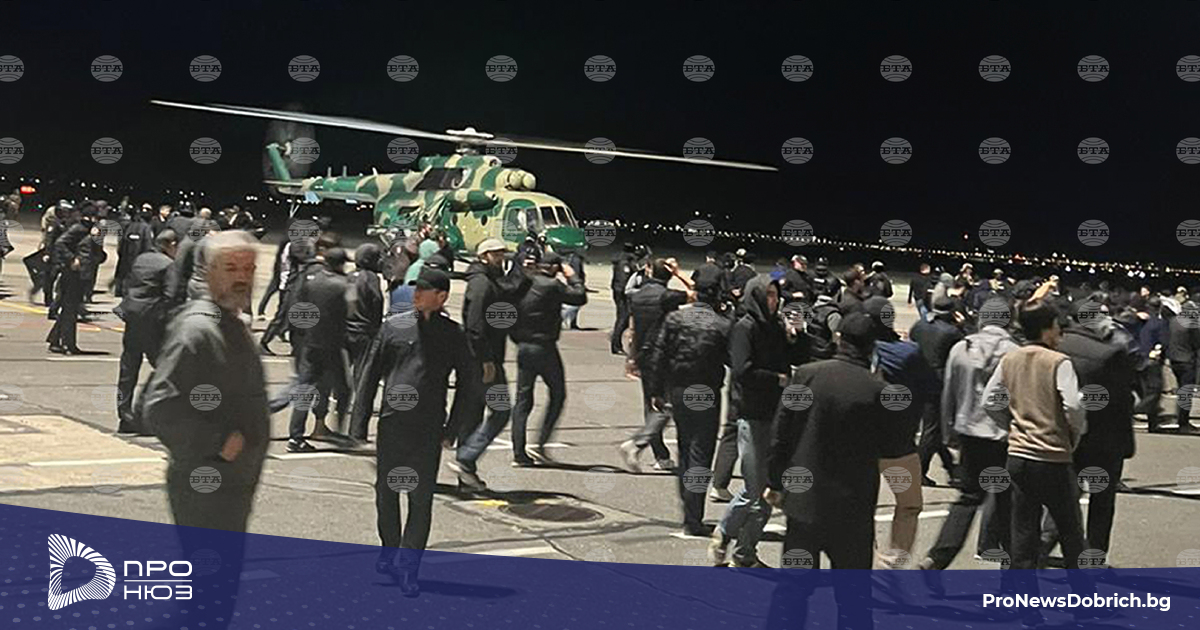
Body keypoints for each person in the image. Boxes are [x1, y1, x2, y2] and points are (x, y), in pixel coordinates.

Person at [142, 230, 268, 630]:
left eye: (248, 268)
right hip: (207, 485)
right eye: (230, 268)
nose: (242, 277)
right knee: (208, 599)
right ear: (208, 272)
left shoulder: (228, 322)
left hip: (230, 485)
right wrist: (217, 443)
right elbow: (158, 406)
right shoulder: (198, 330)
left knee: (214, 594)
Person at [351, 268, 481, 596]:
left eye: (424, 290)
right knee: (386, 493)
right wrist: (359, 423)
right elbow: (369, 374)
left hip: (429, 427)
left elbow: (469, 383)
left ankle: (409, 567)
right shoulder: (393, 327)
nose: (417, 294)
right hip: (393, 423)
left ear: (442, 296)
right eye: (415, 288)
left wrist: (453, 428)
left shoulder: (452, 334)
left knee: (420, 499)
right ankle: (389, 548)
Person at [762, 313, 889, 630]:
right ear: (872, 346)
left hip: (805, 503)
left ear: (838, 339)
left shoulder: (807, 375)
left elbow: (780, 436)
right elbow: (892, 445)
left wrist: (775, 481)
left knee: (792, 590)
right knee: (854, 596)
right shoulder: (876, 388)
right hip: (853, 506)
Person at [981, 299, 1096, 624]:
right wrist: (1074, 435)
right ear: (1047, 329)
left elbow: (989, 400)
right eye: (1057, 326)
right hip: (1053, 456)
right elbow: (1073, 406)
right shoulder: (1058, 361)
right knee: (1071, 532)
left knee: (1022, 535)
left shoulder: (1010, 358)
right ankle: (1083, 602)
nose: (1060, 332)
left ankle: (1027, 607)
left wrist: (1011, 426)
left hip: (1018, 455)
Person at [709, 275, 807, 568]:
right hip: (752, 415)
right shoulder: (745, 327)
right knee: (756, 488)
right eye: (768, 296)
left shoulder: (775, 327)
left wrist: (796, 336)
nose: (773, 301)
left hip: (777, 414)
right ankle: (725, 532)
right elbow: (742, 370)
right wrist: (777, 379)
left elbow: (799, 357)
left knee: (769, 489)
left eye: (776, 296)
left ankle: (745, 553)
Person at [920, 300, 1019, 576]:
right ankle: (1011, 569)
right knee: (1008, 504)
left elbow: (949, 393)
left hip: (969, 433)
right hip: (1004, 437)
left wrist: (948, 432)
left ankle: (936, 559)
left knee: (967, 498)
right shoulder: (1015, 353)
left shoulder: (961, 349)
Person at [1054, 298, 1137, 566]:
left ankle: (1043, 547)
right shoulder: (1110, 353)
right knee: (1102, 502)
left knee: (1064, 497)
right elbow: (1123, 401)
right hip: (1105, 438)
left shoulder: (1057, 345)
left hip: (1066, 433)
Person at [643, 292, 732, 536]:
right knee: (701, 452)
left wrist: (656, 390)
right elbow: (732, 359)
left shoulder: (674, 319)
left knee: (685, 448)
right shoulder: (722, 324)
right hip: (707, 390)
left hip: (679, 388)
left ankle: (688, 507)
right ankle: (694, 516)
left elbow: (659, 354)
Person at [451, 239, 532, 489]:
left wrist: (524, 274)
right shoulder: (481, 283)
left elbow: (509, 292)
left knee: (473, 415)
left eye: (502, 254)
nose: (501, 258)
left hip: (485, 358)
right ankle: (466, 457)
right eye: (496, 254)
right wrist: (485, 359)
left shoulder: (492, 279)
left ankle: (466, 475)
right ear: (484, 255)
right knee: (501, 410)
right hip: (483, 360)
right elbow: (474, 326)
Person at [864, 296, 935, 568]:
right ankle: (893, 562)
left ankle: (865, 557)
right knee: (909, 505)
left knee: (860, 506)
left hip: (861, 442)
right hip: (898, 442)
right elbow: (932, 387)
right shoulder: (908, 353)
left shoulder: (856, 352)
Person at [509, 251, 587, 464]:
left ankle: (519, 452)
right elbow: (580, 296)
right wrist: (572, 276)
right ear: (553, 268)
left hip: (524, 346)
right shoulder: (552, 285)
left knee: (523, 400)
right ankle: (541, 442)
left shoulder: (524, 283)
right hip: (544, 346)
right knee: (558, 394)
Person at [618, 258, 694, 471]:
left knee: (651, 404)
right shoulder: (667, 296)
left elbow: (633, 329)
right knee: (668, 405)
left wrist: (631, 358)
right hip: (665, 355)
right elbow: (697, 292)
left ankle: (660, 455)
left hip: (644, 355)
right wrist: (679, 273)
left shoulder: (638, 295)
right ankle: (637, 443)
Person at [285, 248, 353, 451]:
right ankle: (340, 431)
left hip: (310, 342)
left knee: (304, 389)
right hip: (333, 344)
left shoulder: (312, 280)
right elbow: (352, 310)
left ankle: (295, 436)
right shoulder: (343, 285)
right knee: (343, 389)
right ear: (340, 264)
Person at [115, 229, 179, 435]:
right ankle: (149, 415)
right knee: (163, 369)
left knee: (128, 369)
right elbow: (170, 295)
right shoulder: (168, 264)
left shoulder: (141, 259)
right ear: (171, 245)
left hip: (132, 316)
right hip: (152, 321)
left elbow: (129, 283)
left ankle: (124, 415)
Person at [910, 293, 965, 487]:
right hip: (937, 382)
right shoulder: (952, 332)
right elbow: (963, 350)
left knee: (935, 428)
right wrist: (962, 325)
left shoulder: (919, 325)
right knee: (932, 429)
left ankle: (951, 468)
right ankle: (918, 471)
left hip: (917, 378)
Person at [346, 242, 387, 443]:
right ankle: (357, 431)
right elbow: (376, 302)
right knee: (364, 383)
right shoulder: (370, 278)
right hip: (365, 333)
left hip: (346, 330)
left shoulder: (349, 276)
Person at [46, 203, 98, 354]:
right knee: (70, 310)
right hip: (72, 274)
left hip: (82, 274)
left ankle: (55, 339)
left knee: (70, 309)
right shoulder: (79, 229)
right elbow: (60, 243)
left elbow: (93, 251)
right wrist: (72, 259)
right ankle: (68, 344)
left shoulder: (91, 231)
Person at [1166, 294, 1200, 433]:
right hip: (1187, 360)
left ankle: (1180, 419)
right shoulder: (1192, 324)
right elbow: (1197, 343)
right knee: (1186, 393)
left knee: (1181, 391)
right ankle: (1183, 422)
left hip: (1174, 360)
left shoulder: (1173, 321)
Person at [113, 204, 155, 298]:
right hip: (139, 258)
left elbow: (121, 244)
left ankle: (121, 290)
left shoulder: (128, 226)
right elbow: (148, 244)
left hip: (126, 257)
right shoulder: (146, 228)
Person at [610, 243, 638, 354]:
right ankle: (616, 344)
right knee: (623, 318)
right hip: (622, 293)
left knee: (623, 318)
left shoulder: (622, 260)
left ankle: (616, 340)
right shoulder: (625, 262)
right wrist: (627, 293)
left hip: (618, 290)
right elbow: (623, 279)